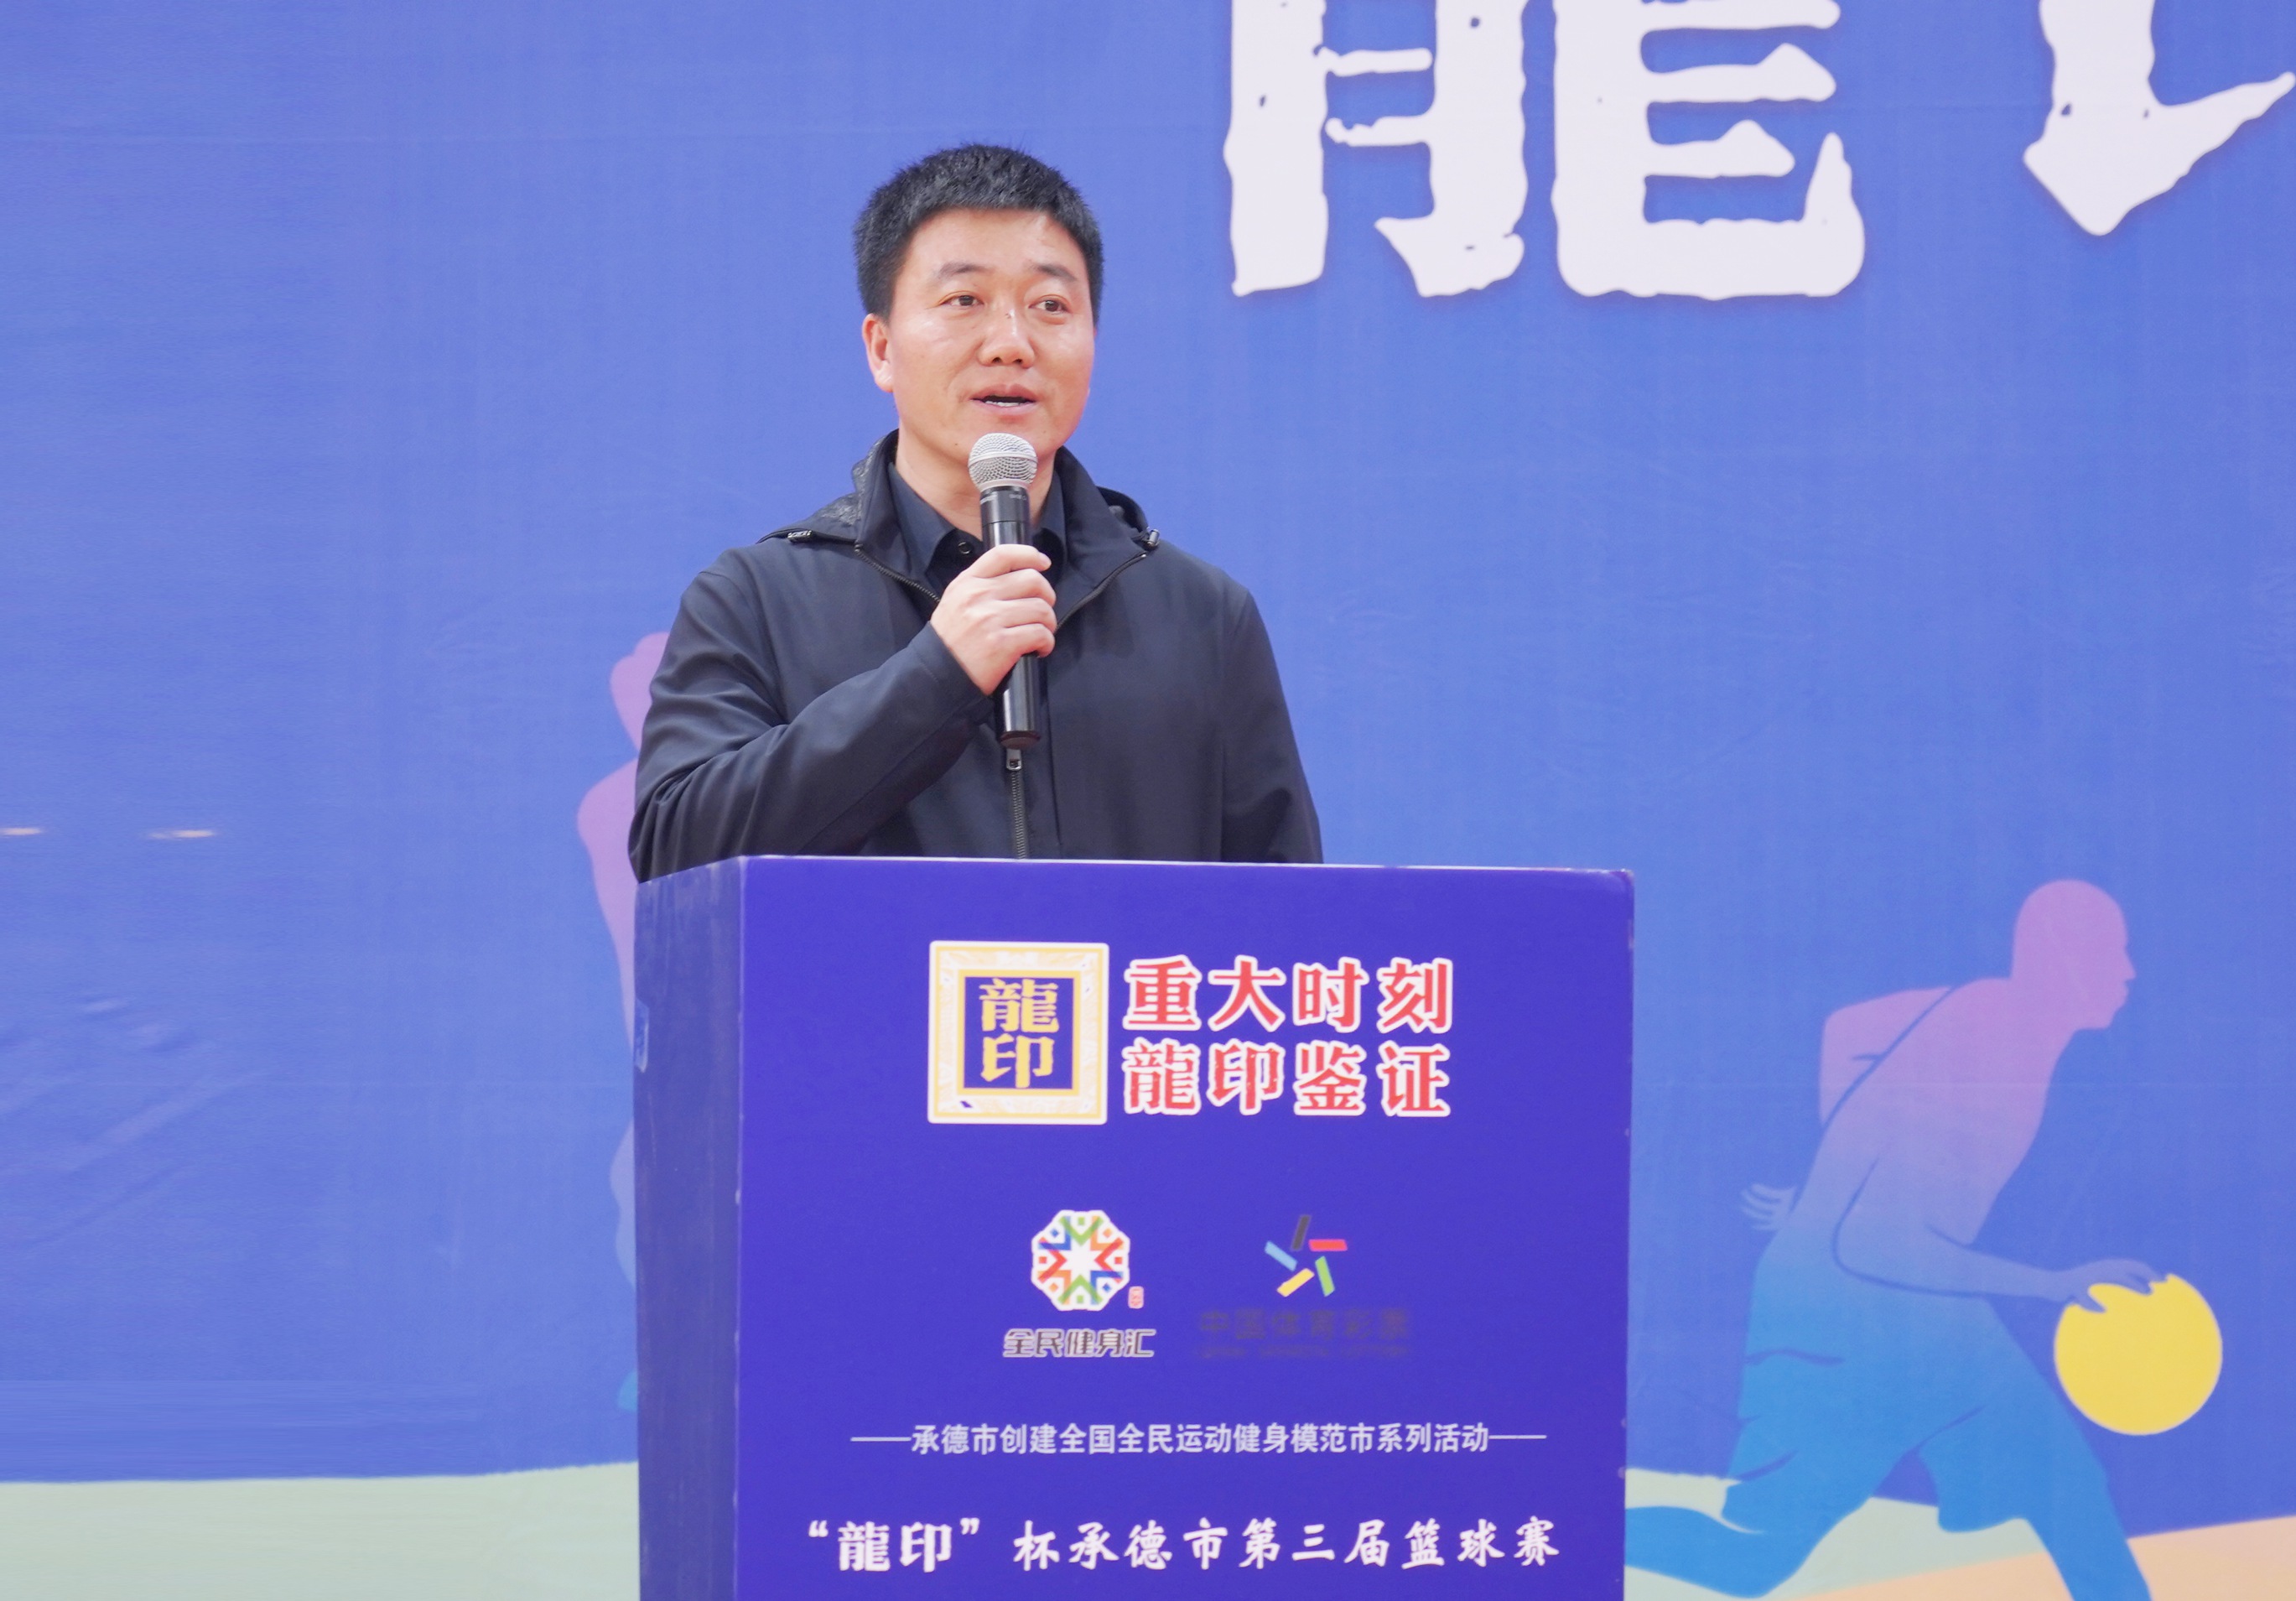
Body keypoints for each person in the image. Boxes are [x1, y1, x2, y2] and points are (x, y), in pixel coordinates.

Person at [629, 145, 1320, 877]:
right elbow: (679, 853)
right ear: (882, 348)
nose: (1011, 344)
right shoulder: (759, 599)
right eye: (965, 301)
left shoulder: (1202, 615)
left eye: (1051, 306)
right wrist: (938, 675)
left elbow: (1288, 912)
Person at [1627, 881, 2158, 1601]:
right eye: (2112, 951)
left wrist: (1832, 1185)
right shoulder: (1991, 1056)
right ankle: (1566, 1522)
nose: (2128, 971)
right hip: (1834, 1322)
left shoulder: (1993, 1007)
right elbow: (1879, 1244)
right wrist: (2051, 1283)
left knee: (2067, 1487)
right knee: (1752, 1560)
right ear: (2061, 958)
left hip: (1932, 1317)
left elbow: (1849, 1028)